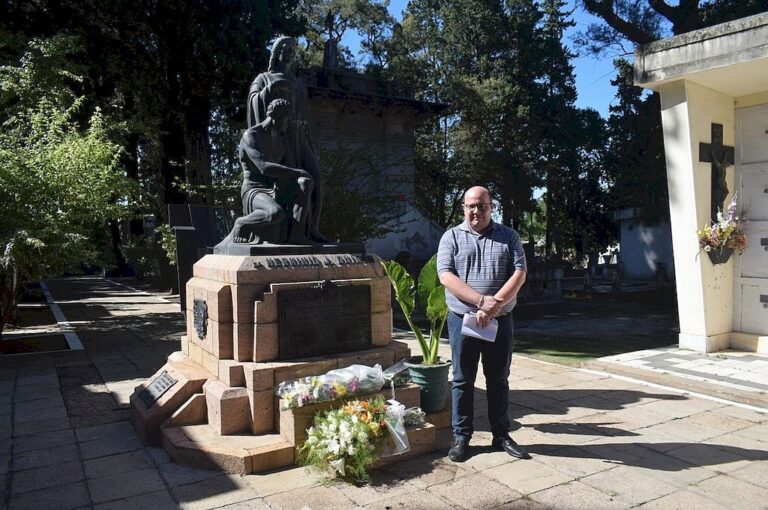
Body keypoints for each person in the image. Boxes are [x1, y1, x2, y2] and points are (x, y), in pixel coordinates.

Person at [436, 186, 530, 463]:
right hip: (462, 321)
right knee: (463, 380)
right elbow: (445, 276)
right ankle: (461, 437)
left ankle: (501, 435)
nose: (476, 211)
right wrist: (480, 301)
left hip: (499, 320)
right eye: (471, 206)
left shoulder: (509, 236)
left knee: (499, 379)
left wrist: (494, 305)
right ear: (464, 207)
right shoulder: (451, 237)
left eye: (482, 205)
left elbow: (520, 272)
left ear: (492, 206)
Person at [247, 36, 325, 242]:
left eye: (293, 49)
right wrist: (270, 90)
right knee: (294, 183)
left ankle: (311, 229)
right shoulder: (264, 78)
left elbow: (303, 113)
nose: (289, 52)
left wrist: (309, 141)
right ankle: (291, 234)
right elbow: (253, 102)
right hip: (278, 134)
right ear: (276, 53)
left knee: (316, 178)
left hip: (300, 135)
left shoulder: (298, 83)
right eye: (285, 48)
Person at [231, 98, 314, 244]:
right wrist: (299, 172)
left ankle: (296, 235)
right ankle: (241, 223)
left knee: (304, 183)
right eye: (287, 120)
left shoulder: (282, 139)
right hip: (255, 190)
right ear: (276, 116)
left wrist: (301, 175)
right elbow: (264, 167)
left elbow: (289, 165)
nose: (288, 124)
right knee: (275, 213)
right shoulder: (251, 136)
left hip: (277, 187)